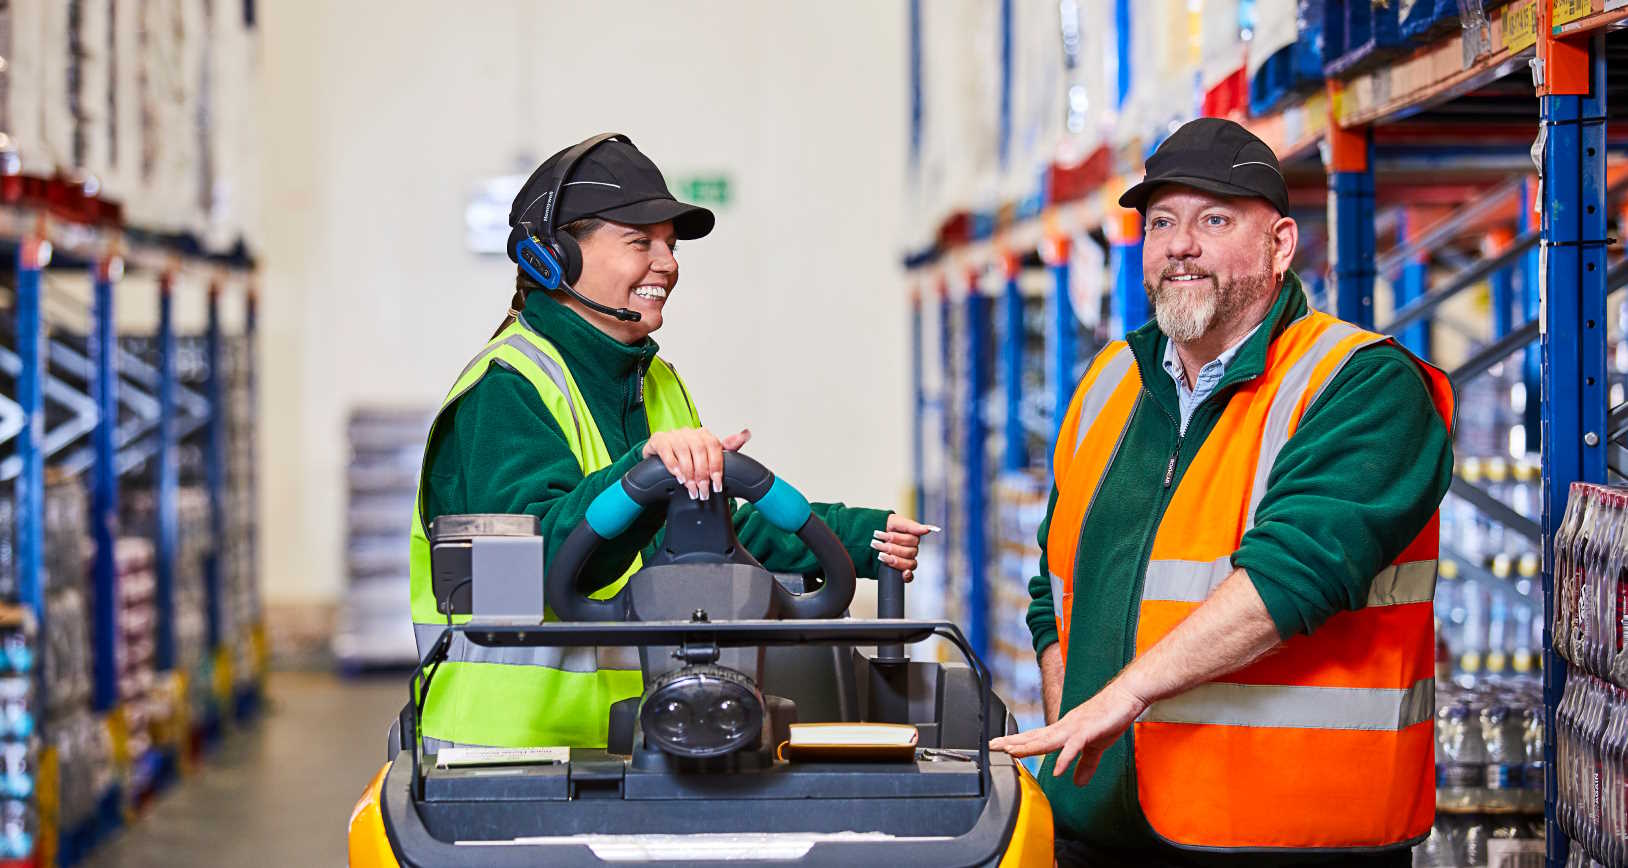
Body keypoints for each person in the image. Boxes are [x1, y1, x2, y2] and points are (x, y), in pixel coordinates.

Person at [990, 118, 1455, 867]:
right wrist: (1072, 727)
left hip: (1287, 838)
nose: (1181, 244)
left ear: (1279, 246)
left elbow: (1289, 578)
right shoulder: (1111, 381)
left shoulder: (1361, 383)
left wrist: (1119, 698)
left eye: (1214, 219)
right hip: (1105, 835)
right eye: (1162, 222)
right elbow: (1055, 581)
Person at [409, 133, 934, 751]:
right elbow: (531, 572)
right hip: (510, 765)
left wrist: (856, 539)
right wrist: (640, 473)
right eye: (640, 242)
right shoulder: (504, 394)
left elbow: (699, 532)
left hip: (645, 748)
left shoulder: (651, 380)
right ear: (554, 259)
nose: (668, 263)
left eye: (671, 245)